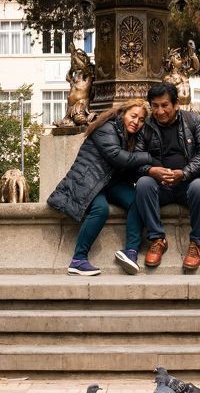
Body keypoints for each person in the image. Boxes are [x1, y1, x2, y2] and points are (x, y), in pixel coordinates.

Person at [47, 99, 152, 276]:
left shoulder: (131, 136)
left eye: (141, 120)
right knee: (101, 209)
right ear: (122, 113)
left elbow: (128, 167)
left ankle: (131, 252)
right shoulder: (107, 128)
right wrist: (149, 158)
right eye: (133, 116)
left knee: (136, 200)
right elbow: (118, 157)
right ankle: (78, 260)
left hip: (109, 182)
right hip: (88, 180)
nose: (136, 122)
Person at [135, 83, 200, 272]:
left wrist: (184, 173)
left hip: (188, 183)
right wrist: (152, 171)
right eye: (155, 106)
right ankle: (157, 239)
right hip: (160, 186)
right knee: (143, 183)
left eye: (164, 105)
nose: (159, 111)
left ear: (176, 105)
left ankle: (197, 244)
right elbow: (137, 158)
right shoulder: (146, 127)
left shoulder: (193, 120)